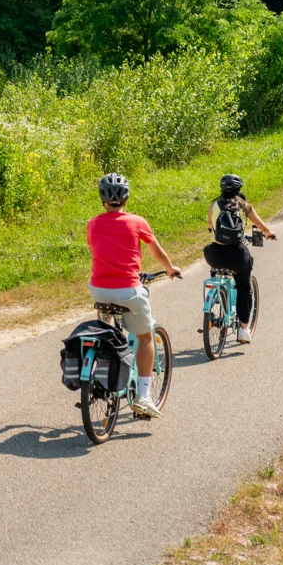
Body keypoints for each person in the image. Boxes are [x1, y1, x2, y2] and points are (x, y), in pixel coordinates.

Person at [87, 172, 181, 419]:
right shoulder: (138, 222)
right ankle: (144, 397)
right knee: (145, 337)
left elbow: (100, 250)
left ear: (102, 198)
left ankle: (101, 358)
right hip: (129, 289)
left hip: (99, 289)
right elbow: (157, 251)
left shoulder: (93, 224)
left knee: (105, 327)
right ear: (126, 197)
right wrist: (170, 268)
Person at [205, 173, 276, 344]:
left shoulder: (213, 205)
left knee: (217, 268)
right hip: (237, 255)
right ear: (239, 189)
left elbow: (209, 226)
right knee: (244, 286)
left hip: (215, 254)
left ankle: (217, 298)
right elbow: (261, 225)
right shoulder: (244, 206)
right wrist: (268, 233)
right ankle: (244, 329)